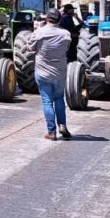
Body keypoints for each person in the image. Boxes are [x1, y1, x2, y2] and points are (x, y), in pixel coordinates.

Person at [27, 8, 72, 140]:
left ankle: (51, 132)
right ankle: (62, 125)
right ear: (59, 19)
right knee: (59, 98)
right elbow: (67, 48)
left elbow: (30, 48)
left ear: (47, 19)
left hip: (43, 72)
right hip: (60, 73)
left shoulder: (39, 33)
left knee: (47, 101)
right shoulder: (66, 34)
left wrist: (39, 29)